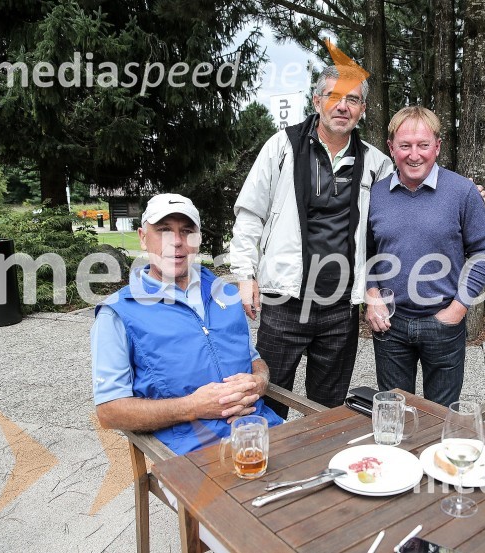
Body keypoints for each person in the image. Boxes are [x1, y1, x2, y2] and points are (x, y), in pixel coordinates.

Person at [230, 66, 393, 417]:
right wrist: (245, 274)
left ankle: (320, 468)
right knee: (269, 400)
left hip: (340, 308)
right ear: (317, 101)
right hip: (285, 300)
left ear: (362, 109)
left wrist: (461, 192)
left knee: (327, 408)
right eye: (334, 97)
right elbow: (250, 213)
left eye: (353, 99)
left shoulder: (376, 162)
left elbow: (404, 207)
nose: (343, 106)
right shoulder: (282, 146)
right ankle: (271, 468)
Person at [92, 193, 283, 455]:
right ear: (142, 237)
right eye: (163, 230)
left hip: (261, 432)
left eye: (187, 231)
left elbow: (253, 359)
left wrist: (260, 381)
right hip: (191, 454)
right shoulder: (118, 313)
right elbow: (109, 412)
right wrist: (193, 406)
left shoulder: (225, 294)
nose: (177, 242)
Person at [365, 106, 485, 406]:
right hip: (390, 325)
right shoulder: (375, 195)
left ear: (437, 146)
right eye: (405, 146)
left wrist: (459, 307)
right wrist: (371, 295)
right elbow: (367, 253)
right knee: (392, 410)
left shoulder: (463, 192)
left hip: (444, 323)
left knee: (441, 416)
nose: (414, 155)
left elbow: (484, 251)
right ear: (391, 148)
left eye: (423, 145)